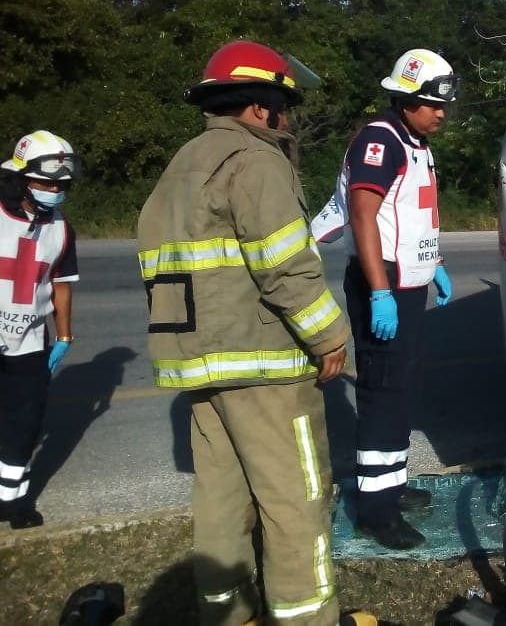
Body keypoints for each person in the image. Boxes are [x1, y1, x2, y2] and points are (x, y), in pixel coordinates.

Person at [137, 40, 351, 626]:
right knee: (295, 502)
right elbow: (285, 265)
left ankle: (228, 615)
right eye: (284, 107)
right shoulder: (256, 161)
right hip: (264, 367)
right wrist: (329, 338)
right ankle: (307, 618)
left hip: (202, 366)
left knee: (221, 503)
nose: (288, 120)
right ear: (260, 107)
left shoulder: (182, 165)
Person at [312, 48, 456, 550]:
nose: (441, 113)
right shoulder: (381, 139)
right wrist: (379, 291)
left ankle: (391, 485)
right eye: (432, 104)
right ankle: (375, 510)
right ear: (405, 98)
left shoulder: (416, 142)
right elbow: (362, 215)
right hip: (384, 283)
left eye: (444, 105)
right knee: (380, 393)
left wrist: (434, 262)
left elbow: (413, 215)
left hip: (409, 283)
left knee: (401, 390)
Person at [0, 130, 81, 530]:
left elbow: (61, 284)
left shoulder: (61, 229)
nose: (55, 191)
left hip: (30, 340)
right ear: (21, 180)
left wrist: (63, 336)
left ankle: (13, 503)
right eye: (47, 184)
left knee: (25, 424)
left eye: (61, 186)